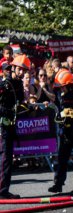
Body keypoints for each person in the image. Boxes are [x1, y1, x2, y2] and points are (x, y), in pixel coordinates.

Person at [0, 54, 28, 199]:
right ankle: (2, 191)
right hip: (2, 125)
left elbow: (21, 104)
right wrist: (8, 111)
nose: (22, 72)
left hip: (11, 125)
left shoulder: (18, 85)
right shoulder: (5, 84)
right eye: (20, 69)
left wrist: (28, 107)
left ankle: (4, 189)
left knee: (7, 158)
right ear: (14, 68)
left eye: (25, 70)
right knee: (4, 157)